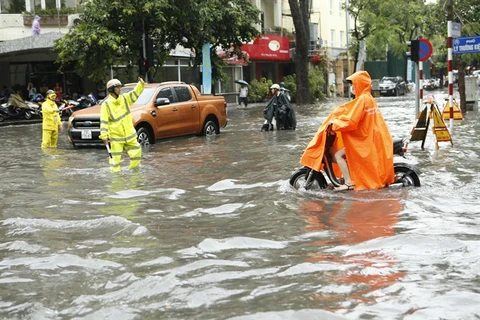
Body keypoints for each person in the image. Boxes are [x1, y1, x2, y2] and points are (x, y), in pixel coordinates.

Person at [299, 70, 394, 191]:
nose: (352, 87)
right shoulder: (368, 98)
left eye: (354, 84)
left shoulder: (362, 100)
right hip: (369, 138)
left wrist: (335, 124)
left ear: (360, 84)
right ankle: (348, 177)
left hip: (364, 141)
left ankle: (349, 183)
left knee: (338, 155)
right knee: (343, 154)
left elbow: (351, 121)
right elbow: (354, 116)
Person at [99, 77, 145, 173]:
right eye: (118, 88)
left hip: (129, 135)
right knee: (115, 161)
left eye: (120, 87)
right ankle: (116, 181)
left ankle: (133, 173)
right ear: (111, 89)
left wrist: (140, 84)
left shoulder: (124, 99)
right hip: (116, 137)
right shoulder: (106, 104)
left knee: (137, 153)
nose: (120, 89)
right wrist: (104, 136)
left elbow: (135, 94)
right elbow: (104, 121)